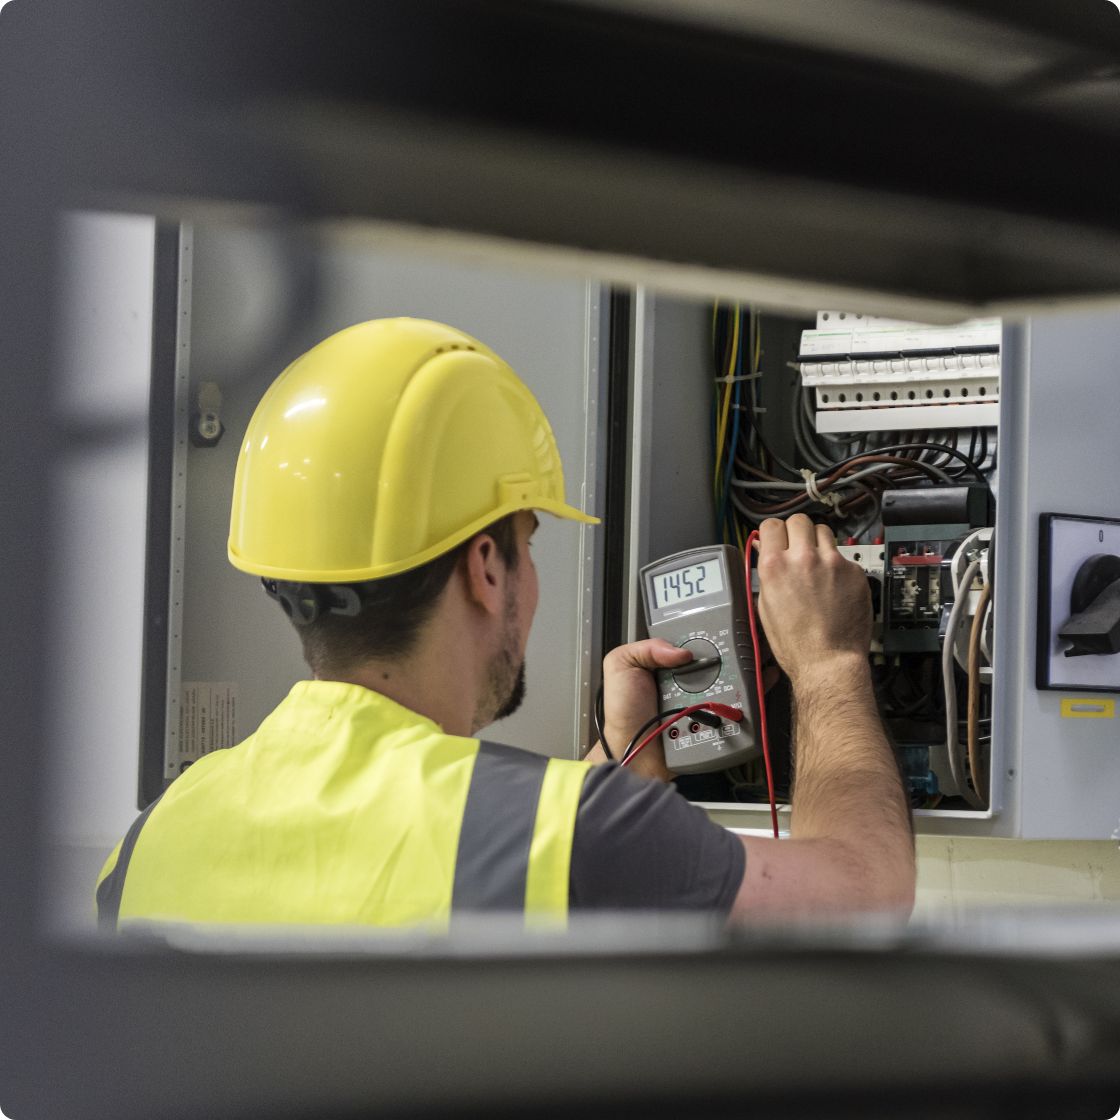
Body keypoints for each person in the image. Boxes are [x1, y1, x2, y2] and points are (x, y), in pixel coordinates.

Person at [96, 318, 914, 930]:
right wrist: (828, 663)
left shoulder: (147, 847)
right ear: (486, 569)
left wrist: (620, 755)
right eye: (529, 542)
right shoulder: (573, 833)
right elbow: (866, 900)